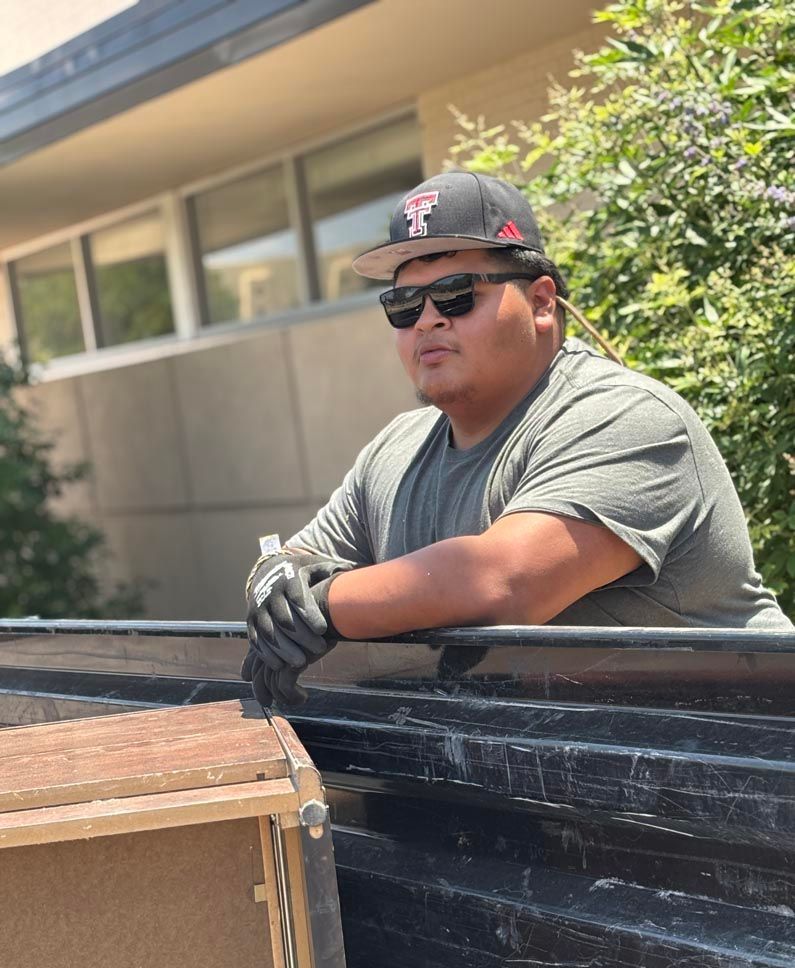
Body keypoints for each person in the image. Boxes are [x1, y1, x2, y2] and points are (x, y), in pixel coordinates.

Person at [241, 171, 793, 706]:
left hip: (740, 757)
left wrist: (318, 605)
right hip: (541, 767)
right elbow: (297, 563)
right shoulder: (394, 452)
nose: (427, 320)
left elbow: (503, 583)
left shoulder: (624, 416)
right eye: (404, 305)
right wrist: (269, 579)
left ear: (542, 301)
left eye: (455, 294)